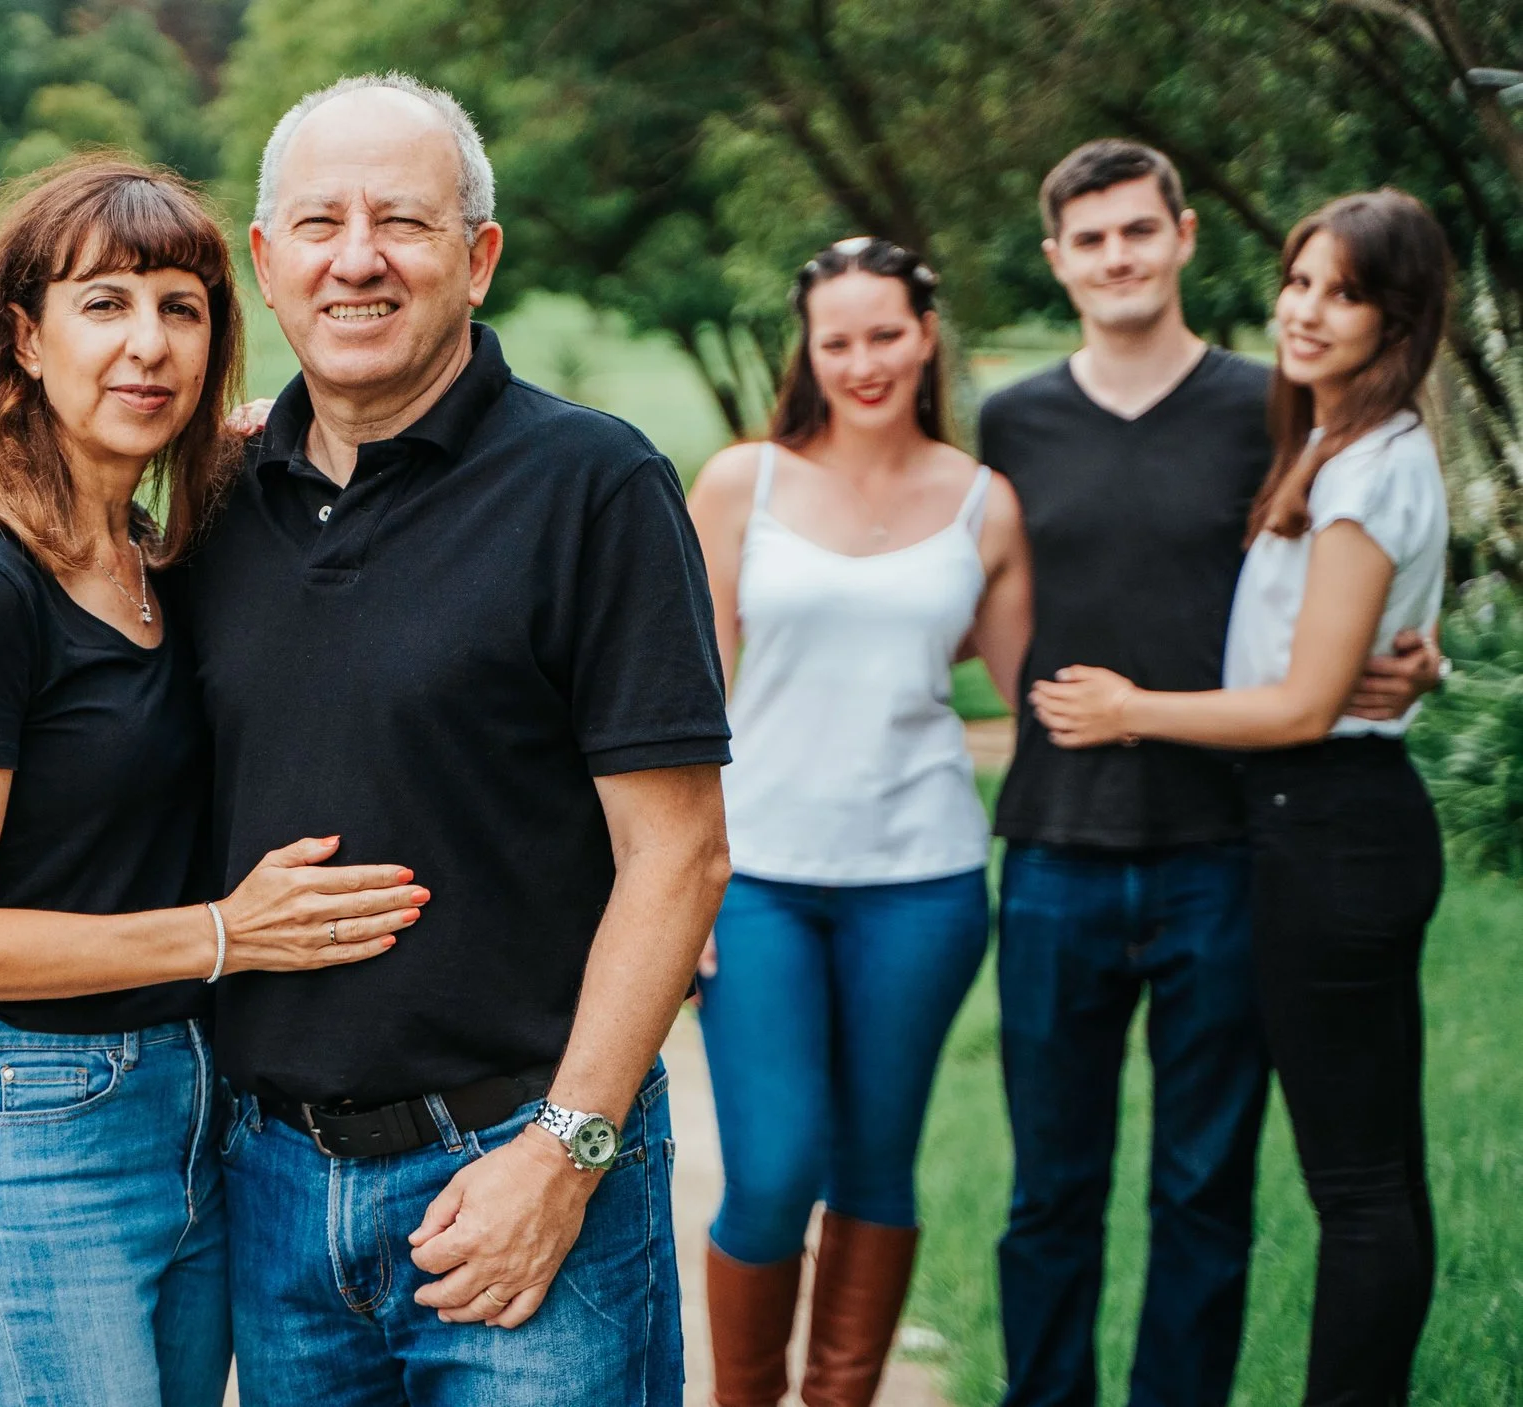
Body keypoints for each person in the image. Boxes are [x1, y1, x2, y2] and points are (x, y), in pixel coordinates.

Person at [194, 74, 731, 1406]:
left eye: (405, 223)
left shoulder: (593, 485)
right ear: (267, 263)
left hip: (520, 1167)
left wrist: (566, 1152)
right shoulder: (206, 503)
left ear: (479, 258)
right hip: (271, 1190)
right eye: (318, 222)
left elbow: (680, 854)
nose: (357, 256)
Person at [0, 156, 427, 1407]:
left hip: (195, 1108)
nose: (150, 345)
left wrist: (271, 434)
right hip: (31, 1121)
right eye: (104, 304)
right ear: (23, 337)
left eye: (183, 307)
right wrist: (230, 935)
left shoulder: (164, 559)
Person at [978, 142, 1440, 1407]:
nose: (1117, 257)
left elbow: (1347, 581)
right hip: (1058, 851)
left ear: (1183, 237)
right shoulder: (1011, 419)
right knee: (1048, 1194)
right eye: (1090, 239)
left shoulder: (1272, 406)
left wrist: (1417, 660)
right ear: (1056, 260)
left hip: (1227, 853)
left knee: (1202, 1191)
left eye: (1139, 231)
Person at [685, 236, 1032, 1407]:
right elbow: (674, 703)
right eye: (837, 341)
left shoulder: (985, 504)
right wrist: (675, 888)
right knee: (774, 1173)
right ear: (810, 349)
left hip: (923, 880)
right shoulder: (743, 485)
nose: (863, 361)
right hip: (761, 880)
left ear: (926, 334)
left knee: (877, 1168)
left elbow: (1037, 693)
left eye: (885, 334)